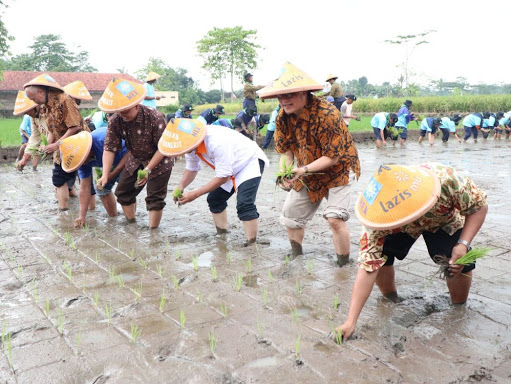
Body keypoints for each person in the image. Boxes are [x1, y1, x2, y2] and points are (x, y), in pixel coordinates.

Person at [335, 163, 488, 340]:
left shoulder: (446, 180)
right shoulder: (377, 219)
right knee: (382, 254)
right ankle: (391, 298)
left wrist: (463, 244)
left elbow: (479, 206)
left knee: (460, 260)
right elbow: (368, 266)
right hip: (397, 226)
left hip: (443, 220)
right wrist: (350, 321)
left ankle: (458, 307)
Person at [257, 62, 361, 266]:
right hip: (307, 170)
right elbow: (286, 151)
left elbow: (333, 156)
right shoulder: (282, 118)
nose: (284, 100)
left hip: (338, 169)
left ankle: (343, 264)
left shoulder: (326, 114)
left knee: (335, 218)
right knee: (290, 216)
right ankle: (296, 256)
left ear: (305, 93)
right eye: (280, 96)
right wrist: (285, 173)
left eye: (290, 95)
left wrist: (302, 170)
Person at [158, 118, 269, 245]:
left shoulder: (216, 141)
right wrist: (181, 186)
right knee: (215, 199)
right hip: (231, 167)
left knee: (244, 203)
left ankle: (251, 244)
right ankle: (222, 235)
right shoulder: (189, 144)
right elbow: (192, 168)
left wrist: (194, 194)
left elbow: (223, 177)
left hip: (249, 161)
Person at [97, 77, 173, 229]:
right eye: (119, 112)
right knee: (123, 192)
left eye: (125, 111)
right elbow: (109, 147)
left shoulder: (155, 117)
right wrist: (105, 174)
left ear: (136, 105)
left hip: (159, 160)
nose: (122, 115)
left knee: (154, 198)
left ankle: (153, 232)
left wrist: (148, 170)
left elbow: (163, 148)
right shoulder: (115, 120)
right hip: (136, 157)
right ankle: (132, 224)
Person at [24, 73, 89, 211]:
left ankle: (91, 210)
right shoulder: (45, 106)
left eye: (33, 98)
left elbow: (75, 126)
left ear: (41, 92)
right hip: (63, 145)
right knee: (59, 178)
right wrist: (48, 145)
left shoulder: (64, 100)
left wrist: (56, 144)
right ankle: (64, 212)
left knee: (85, 177)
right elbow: (53, 130)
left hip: (79, 143)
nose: (34, 101)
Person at [58, 129, 128, 228]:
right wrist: (82, 216)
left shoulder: (102, 139)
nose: (82, 164)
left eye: (81, 161)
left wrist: (113, 173)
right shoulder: (81, 161)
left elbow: (130, 153)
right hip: (109, 165)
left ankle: (131, 223)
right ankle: (114, 218)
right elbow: (85, 187)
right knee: (101, 188)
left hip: (129, 157)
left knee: (125, 190)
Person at [13, 91, 38, 170]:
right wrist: (29, 137)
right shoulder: (29, 117)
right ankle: (19, 158)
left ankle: (34, 168)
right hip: (25, 132)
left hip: (33, 134)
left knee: (36, 150)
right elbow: (22, 129)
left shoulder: (40, 114)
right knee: (25, 145)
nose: (26, 114)